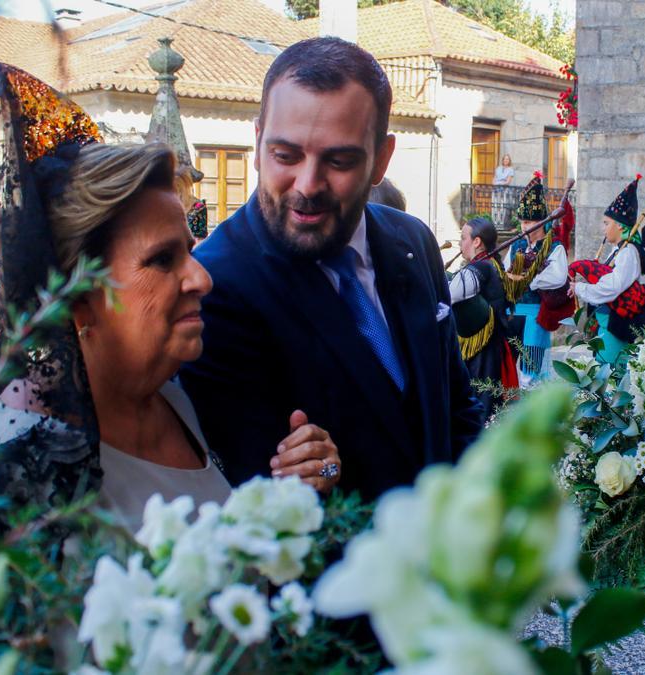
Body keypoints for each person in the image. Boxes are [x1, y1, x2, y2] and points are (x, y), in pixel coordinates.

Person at [0, 64, 340, 532]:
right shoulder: (17, 467)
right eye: (161, 260)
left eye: (189, 251)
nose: (202, 279)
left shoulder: (175, 400)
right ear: (76, 302)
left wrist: (291, 496)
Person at [181, 37, 483, 501]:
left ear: (381, 159)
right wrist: (314, 477)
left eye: (339, 161)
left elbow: (455, 407)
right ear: (258, 140)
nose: (308, 185)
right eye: (285, 156)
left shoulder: (414, 241)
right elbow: (255, 487)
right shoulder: (216, 287)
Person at [570, 175, 645, 364]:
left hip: (614, 324)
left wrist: (580, 289)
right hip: (605, 322)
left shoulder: (628, 254)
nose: (603, 228)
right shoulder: (617, 251)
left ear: (619, 225)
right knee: (602, 370)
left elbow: (612, 287)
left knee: (609, 373)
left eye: (606, 223)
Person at [503, 171, 570, 385]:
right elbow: (506, 273)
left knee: (531, 368)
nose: (524, 227)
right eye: (522, 221)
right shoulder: (516, 244)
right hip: (512, 312)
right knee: (507, 364)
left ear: (542, 222)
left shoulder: (554, 246)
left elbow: (558, 277)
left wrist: (527, 279)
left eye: (530, 222)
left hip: (535, 313)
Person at [450, 216, 516, 420]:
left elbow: (448, 294)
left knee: (482, 403)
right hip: (489, 347)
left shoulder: (482, 267)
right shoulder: (491, 264)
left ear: (476, 242)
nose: (460, 243)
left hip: (484, 352)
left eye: (463, 238)